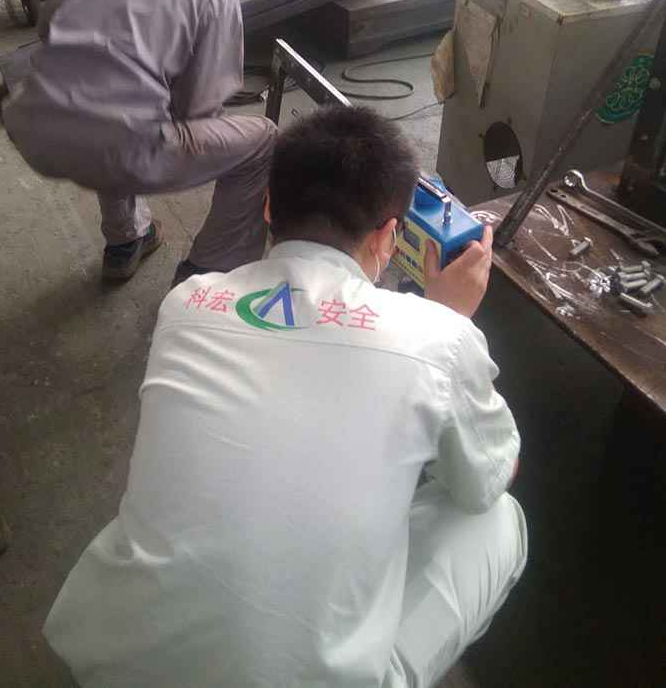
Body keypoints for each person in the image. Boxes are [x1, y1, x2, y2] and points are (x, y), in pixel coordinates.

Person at [44, 106, 526, 688]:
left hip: (116, 664)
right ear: (388, 236)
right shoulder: (439, 338)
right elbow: (489, 478)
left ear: (269, 206)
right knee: (497, 521)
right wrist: (446, 323)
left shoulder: (187, 304)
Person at [4, 0, 276, 285]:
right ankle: (207, 274)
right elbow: (197, 109)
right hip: (116, 148)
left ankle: (127, 239)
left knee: (115, 99)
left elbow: (48, 26)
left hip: (34, 125)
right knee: (262, 139)